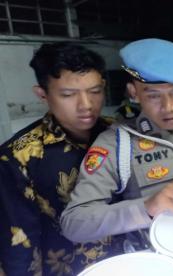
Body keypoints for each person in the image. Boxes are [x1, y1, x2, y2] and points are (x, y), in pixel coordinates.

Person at [60, 38, 173, 246]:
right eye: (153, 95)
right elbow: (73, 223)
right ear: (134, 93)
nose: (169, 107)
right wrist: (146, 207)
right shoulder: (117, 143)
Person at [0, 42, 121, 275]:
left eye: (95, 91)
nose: (86, 105)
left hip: (130, 261)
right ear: (42, 94)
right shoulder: (18, 157)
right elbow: (19, 242)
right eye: (68, 94)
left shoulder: (119, 134)